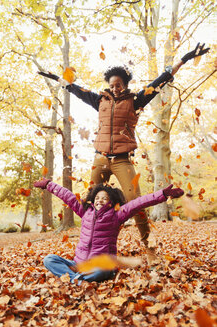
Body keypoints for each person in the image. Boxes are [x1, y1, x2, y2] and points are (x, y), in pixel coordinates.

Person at [38, 43, 209, 265]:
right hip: (99, 159)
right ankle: (90, 250)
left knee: (135, 202)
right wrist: (55, 77)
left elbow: (161, 80)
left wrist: (184, 59)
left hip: (122, 160)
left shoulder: (135, 101)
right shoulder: (99, 101)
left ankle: (149, 248)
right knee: (90, 203)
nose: (115, 88)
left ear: (125, 85)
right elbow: (75, 88)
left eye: (119, 84)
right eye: (112, 85)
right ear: (108, 86)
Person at [34, 177, 184, 284]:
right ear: (93, 199)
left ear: (112, 201)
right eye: (97, 197)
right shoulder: (85, 212)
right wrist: (49, 184)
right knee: (49, 259)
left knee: (104, 271)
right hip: (79, 264)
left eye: (104, 198)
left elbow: (138, 203)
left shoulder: (117, 215)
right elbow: (68, 197)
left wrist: (162, 195)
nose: (99, 200)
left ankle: (75, 279)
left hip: (100, 265)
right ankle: (77, 279)